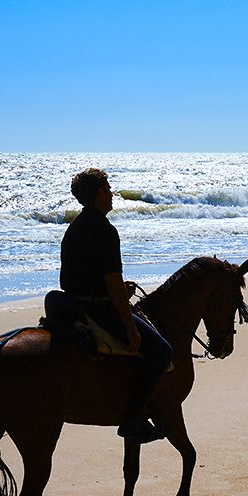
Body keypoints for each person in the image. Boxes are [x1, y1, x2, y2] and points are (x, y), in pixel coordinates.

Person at [60, 168, 172, 443]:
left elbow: (72, 278)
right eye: (108, 190)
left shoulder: (74, 227)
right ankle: (133, 420)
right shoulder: (105, 231)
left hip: (73, 305)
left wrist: (116, 289)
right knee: (161, 351)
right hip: (98, 309)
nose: (111, 195)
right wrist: (129, 328)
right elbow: (111, 282)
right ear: (98, 194)